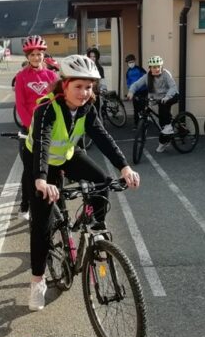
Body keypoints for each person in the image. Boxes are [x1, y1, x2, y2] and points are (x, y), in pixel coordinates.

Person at [23, 54, 140, 311]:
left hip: (66, 155)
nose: (85, 92)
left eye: (89, 87)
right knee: (42, 223)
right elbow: (41, 144)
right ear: (64, 85)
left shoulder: (88, 107)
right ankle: (37, 282)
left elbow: (102, 137)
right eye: (78, 86)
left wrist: (125, 167)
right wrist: (41, 180)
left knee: (102, 181)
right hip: (39, 162)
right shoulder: (47, 108)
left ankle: (95, 226)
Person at [13, 35, 60, 221]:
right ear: (27, 56)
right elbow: (21, 104)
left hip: (49, 127)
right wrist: (30, 126)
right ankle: (25, 205)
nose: (36, 58)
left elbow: (58, 101)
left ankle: (54, 198)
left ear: (43, 54)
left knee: (53, 165)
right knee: (29, 169)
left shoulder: (52, 76)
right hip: (30, 128)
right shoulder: (21, 77)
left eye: (39, 54)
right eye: (32, 54)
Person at [126, 55, 179, 153]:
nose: (156, 69)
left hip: (171, 96)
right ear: (150, 68)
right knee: (149, 110)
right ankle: (164, 141)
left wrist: (167, 96)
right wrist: (131, 92)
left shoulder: (166, 74)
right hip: (157, 99)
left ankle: (168, 127)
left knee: (163, 107)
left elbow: (173, 87)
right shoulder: (147, 76)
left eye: (158, 66)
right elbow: (136, 84)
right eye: (154, 67)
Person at [124, 53, 147, 126]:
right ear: (127, 63)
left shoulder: (140, 69)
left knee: (142, 108)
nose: (131, 63)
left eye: (132, 61)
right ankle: (136, 123)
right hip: (134, 92)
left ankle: (144, 123)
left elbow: (146, 79)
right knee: (136, 108)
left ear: (134, 61)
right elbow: (128, 82)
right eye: (129, 62)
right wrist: (130, 91)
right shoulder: (128, 72)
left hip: (143, 91)